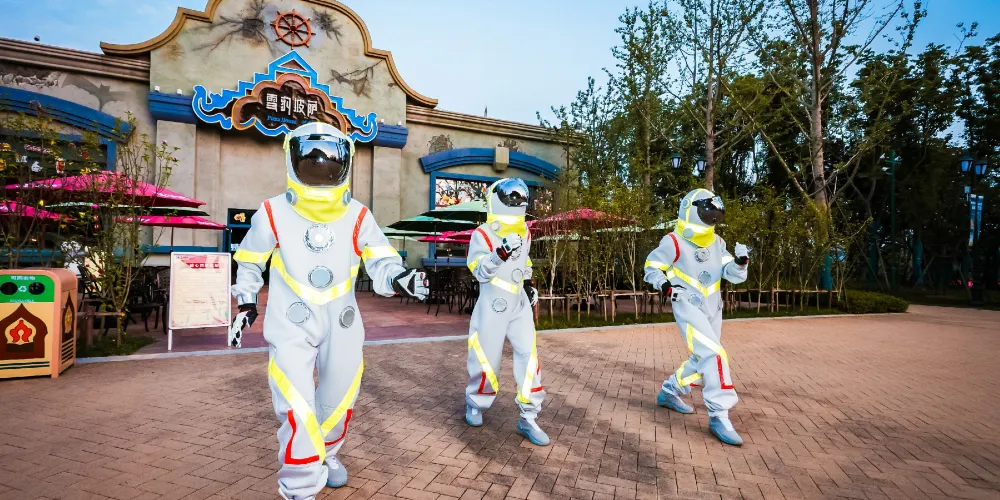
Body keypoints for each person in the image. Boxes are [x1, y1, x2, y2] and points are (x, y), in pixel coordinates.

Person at [229, 122, 428, 499]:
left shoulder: (357, 214)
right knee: (296, 402)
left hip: (342, 319)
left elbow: (382, 259)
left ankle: (328, 453)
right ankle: (300, 486)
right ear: (292, 157)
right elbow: (251, 260)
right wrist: (247, 301)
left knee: (339, 397)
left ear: (345, 161)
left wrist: (399, 277)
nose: (321, 164)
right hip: (291, 318)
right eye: (311, 156)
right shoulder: (272, 212)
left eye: (330, 158)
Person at [644, 189, 750, 446]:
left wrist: (739, 263)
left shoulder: (717, 242)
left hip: (713, 305)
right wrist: (666, 286)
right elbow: (652, 267)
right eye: (707, 207)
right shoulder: (673, 241)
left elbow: (729, 271)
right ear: (691, 209)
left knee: (702, 357)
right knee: (714, 355)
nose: (712, 212)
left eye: (714, 208)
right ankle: (719, 413)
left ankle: (670, 390)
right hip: (687, 305)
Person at [463, 177, 548, 445]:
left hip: (518, 301)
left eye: (520, 196)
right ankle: (475, 403)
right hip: (493, 302)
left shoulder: (525, 232)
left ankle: (528, 416)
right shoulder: (482, 234)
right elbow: (478, 270)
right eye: (511, 196)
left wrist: (528, 285)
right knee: (486, 358)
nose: (517, 200)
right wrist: (500, 253)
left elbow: (525, 262)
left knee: (529, 357)